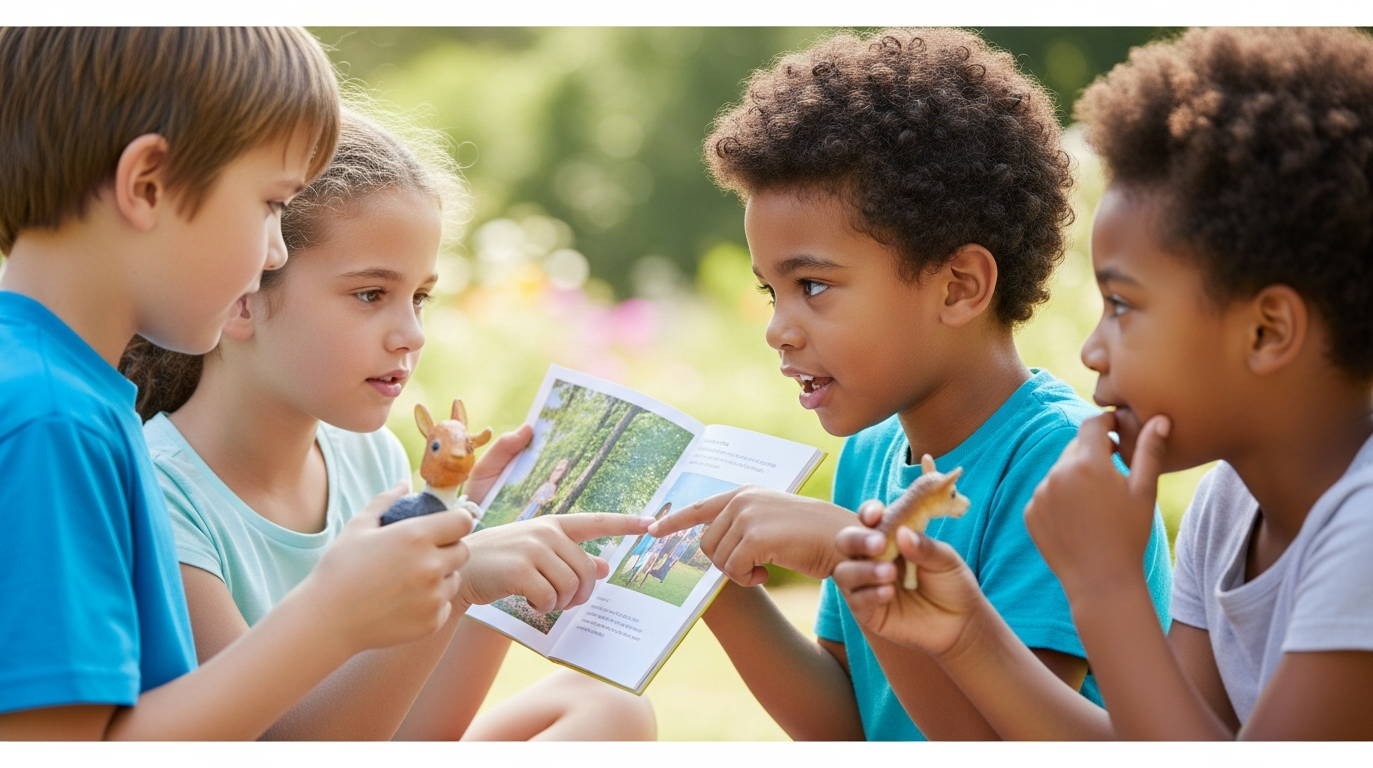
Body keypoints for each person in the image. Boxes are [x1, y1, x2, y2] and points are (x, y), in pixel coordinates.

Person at [832, 26, 1373, 740]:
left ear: (1267, 330)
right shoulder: (1229, 505)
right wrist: (966, 634)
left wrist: (1106, 583)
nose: (1091, 351)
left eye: (1121, 305)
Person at [648, 27, 1172, 740]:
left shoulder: (1060, 465)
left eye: (812, 285)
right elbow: (847, 727)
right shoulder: (870, 455)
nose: (778, 329)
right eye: (772, 292)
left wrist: (853, 555)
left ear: (959, 287)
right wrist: (714, 583)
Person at [0, 28, 471, 741]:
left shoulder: (47, 389)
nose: (275, 251)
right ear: (147, 185)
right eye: (271, 205)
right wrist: (332, 616)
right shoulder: (46, 419)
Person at [122, 109, 656, 741]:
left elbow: (413, 735)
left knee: (608, 708)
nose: (412, 334)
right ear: (240, 297)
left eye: (419, 297)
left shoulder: (368, 456)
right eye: (371, 294)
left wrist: (476, 541)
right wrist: (456, 579)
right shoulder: (161, 495)